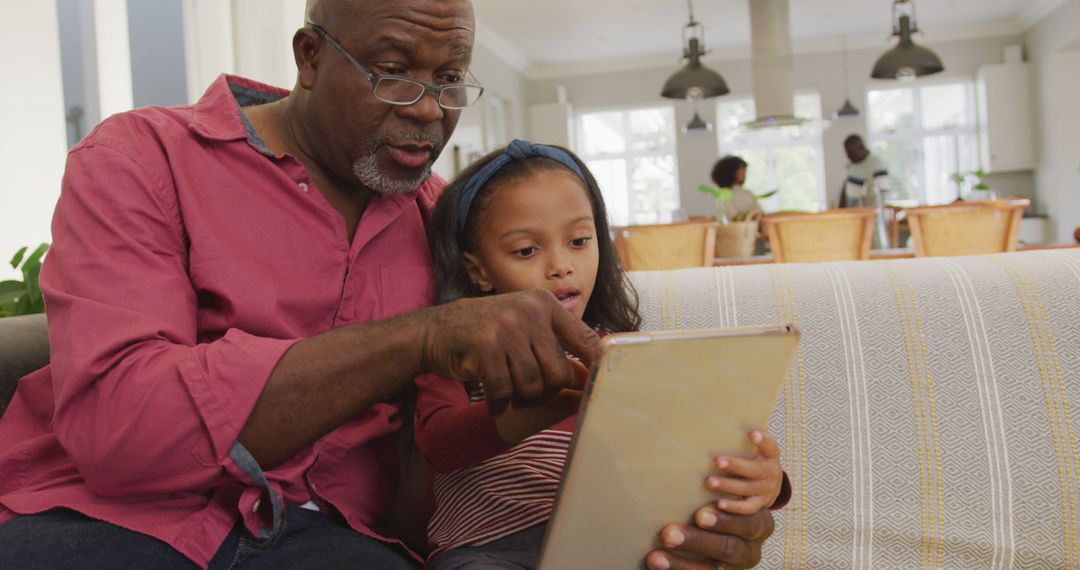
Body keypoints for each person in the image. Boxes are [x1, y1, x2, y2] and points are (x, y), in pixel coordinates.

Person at [0, 1, 780, 568]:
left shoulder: (454, 227)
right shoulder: (141, 158)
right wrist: (419, 338)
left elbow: (437, 471)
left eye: (450, 79)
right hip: (104, 518)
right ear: (310, 56)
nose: (429, 112)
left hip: (332, 544)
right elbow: (122, 429)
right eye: (395, 71)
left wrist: (666, 519)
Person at [415, 140, 790, 570]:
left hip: (609, 544)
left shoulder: (623, 355)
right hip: (488, 552)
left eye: (578, 240)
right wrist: (526, 411)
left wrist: (765, 483)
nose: (560, 265)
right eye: (526, 250)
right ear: (479, 270)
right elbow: (439, 443)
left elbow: (684, 440)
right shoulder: (455, 357)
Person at [839, 134, 889, 209]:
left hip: (870, 215)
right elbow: (846, 189)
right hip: (852, 215)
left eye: (851, 152)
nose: (848, 156)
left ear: (861, 148)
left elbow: (882, 195)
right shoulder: (853, 165)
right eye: (847, 153)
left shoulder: (877, 164)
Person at [711, 155, 762, 221]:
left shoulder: (748, 193)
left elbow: (760, 213)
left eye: (744, 170)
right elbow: (734, 217)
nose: (744, 173)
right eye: (741, 169)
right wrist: (753, 216)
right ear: (730, 172)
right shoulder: (723, 194)